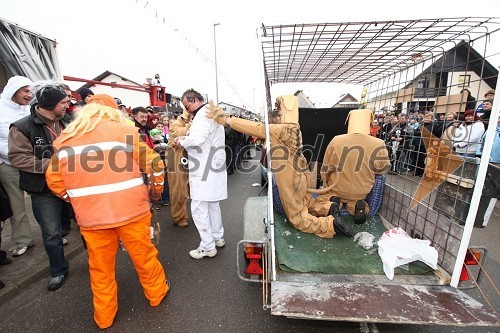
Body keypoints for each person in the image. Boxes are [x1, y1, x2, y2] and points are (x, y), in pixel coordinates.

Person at [45, 95, 168, 329]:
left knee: (100, 268)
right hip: (132, 210)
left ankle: (104, 317)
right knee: (144, 256)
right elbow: (155, 165)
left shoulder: (64, 140)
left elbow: (54, 180)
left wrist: (76, 199)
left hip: (92, 218)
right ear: (113, 112)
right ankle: (157, 294)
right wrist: (154, 192)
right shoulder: (125, 133)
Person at [206, 94, 351, 238]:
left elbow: (257, 128)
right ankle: (328, 206)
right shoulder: (295, 127)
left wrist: (226, 119)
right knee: (307, 202)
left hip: (290, 179)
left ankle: (330, 225)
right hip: (300, 175)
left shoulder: (280, 130)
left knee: (298, 219)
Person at [8, 81, 70, 291]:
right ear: (50, 104)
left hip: (72, 185)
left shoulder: (67, 122)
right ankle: (58, 270)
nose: (67, 106)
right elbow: (18, 158)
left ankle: (97, 264)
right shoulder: (22, 127)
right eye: (63, 102)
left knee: (86, 225)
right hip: (43, 190)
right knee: (52, 233)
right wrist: (53, 164)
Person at [309, 109, 391, 224]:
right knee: (356, 201)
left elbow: (326, 166)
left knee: (321, 200)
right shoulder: (379, 144)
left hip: (336, 188)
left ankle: (332, 203)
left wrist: (325, 182)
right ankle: (359, 206)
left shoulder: (336, 140)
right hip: (361, 191)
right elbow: (382, 169)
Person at [173, 89, 227, 258]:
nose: (186, 109)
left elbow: (197, 140)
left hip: (205, 167)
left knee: (198, 207)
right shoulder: (210, 113)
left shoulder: (203, 115)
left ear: (195, 99)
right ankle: (218, 237)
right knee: (212, 204)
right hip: (213, 165)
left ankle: (208, 246)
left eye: (187, 105)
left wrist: (181, 141)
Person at [0, 76, 35, 256]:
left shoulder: (29, 110)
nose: (30, 95)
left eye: (31, 91)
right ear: (14, 90)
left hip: (31, 162)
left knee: (41, 199)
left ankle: (55, 234)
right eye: (26, 91)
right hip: (8, 165)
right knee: (17, 205)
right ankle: (23, 240)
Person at [167, 109, 192, 227]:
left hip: (188, 159)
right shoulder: (175, 124)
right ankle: (179, 217)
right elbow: (184, 133)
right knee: (178, 190)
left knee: (192, 189)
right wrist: (192, 124)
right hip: (175, 160)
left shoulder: (191, 123)